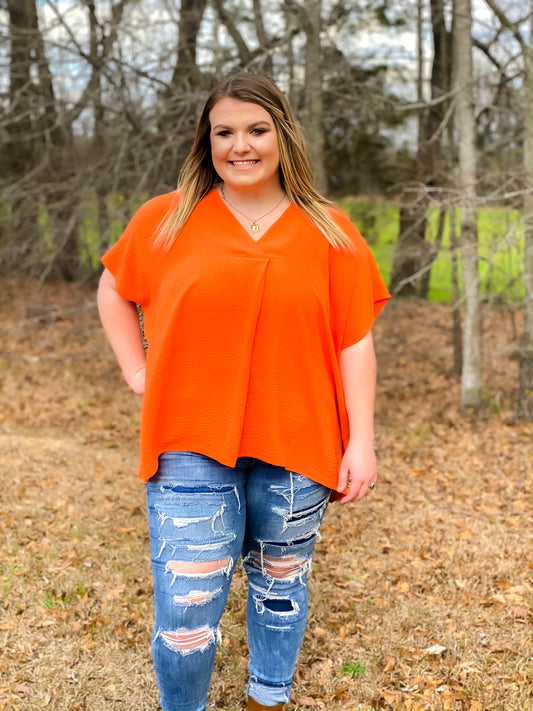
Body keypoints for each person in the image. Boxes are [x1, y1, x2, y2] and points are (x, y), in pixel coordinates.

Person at [97, 71, 390, 711]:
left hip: (299, 439)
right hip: (190, 438)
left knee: (279, 583)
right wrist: (139, 372)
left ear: (282, 135)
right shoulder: (166, 218)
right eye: (224, 131)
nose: (241, 145)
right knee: (186, 605)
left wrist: (361, 441)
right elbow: (115, 290)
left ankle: (268, 697)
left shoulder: (330, 231)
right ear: (206, 140)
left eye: (256, 130)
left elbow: (354, 341)